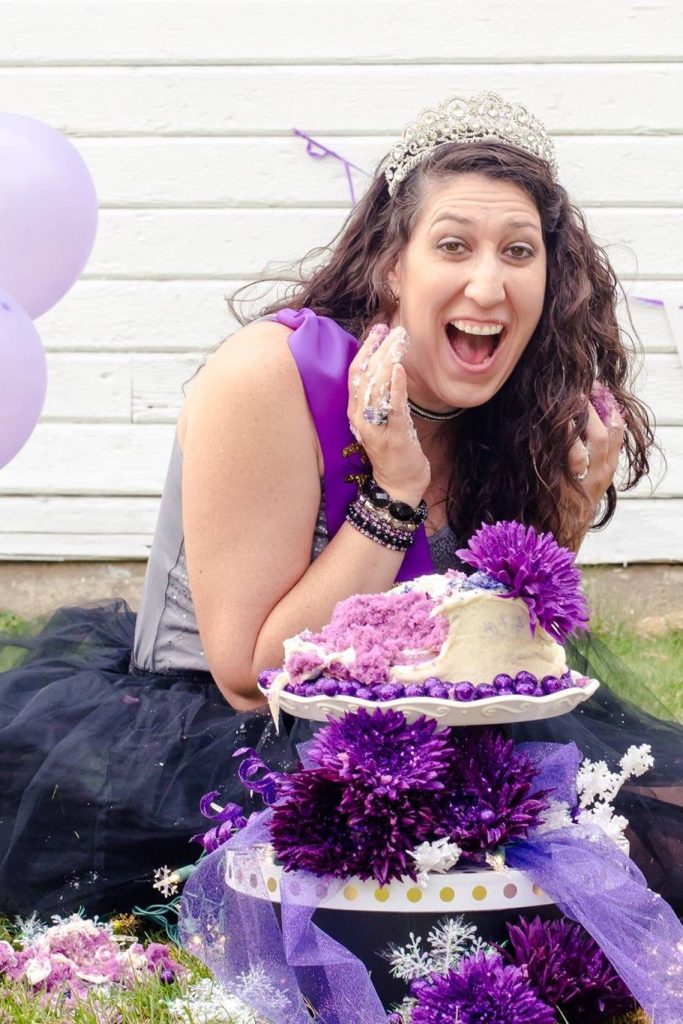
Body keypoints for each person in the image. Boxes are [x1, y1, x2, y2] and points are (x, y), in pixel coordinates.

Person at [0, 91, 680, 921]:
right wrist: (393, 494)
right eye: (453, 245)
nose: (488, 283)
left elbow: (493, 657)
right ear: (393, 264)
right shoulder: (270, 375)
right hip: (229, 738)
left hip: (425, 720)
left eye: (517, 251)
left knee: (651, 828)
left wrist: (564, 520)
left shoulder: (514, 396)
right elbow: (252, 675)